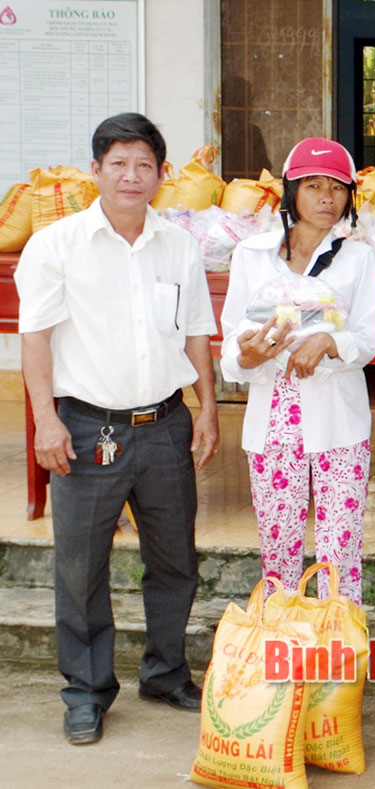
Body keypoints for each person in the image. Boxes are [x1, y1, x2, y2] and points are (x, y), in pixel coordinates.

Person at [16, 113, 220, 743]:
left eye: (144, 165)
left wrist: (208, 408)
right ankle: (86, 691)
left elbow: (195, 333)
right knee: (80, 568)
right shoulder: (57, 244)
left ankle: (164, 671)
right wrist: (45, 421)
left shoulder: (179, 245)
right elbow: (36, 339)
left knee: (175, 559)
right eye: (119, 163)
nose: (132, 176)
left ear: (162, 174)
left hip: (164, 424)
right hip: (84, 428)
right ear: (96, 170)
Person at [219, 137, 375, 603]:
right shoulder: (251, 255)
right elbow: (232, 340)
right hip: (272, 424)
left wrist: (332, 341)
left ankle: (338, 658)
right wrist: (246, 357)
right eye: (313, 186)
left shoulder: (357, 258)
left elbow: (369, 338)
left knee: (340, 551)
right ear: (291, 192)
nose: (327, 198)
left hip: (338, 425)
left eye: (337, 187)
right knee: (279, 551)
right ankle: (285, 657)